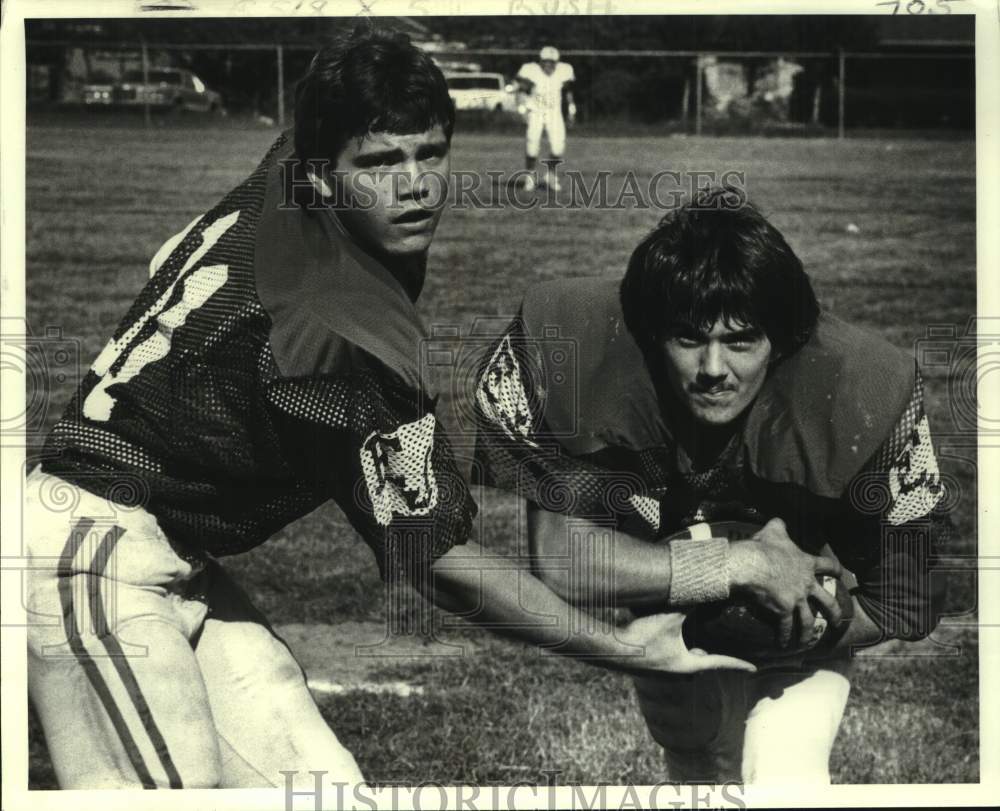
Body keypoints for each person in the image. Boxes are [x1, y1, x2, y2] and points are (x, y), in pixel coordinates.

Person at [24, 30, 769, 791]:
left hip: (166, 547)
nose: (414, 185)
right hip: (92, 551)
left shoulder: (287, 165)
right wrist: (632, 650)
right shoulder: (345, 332)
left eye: (430, 153)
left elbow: (169, 252)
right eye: (380, 164)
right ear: (322, 177)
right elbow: (438, 561)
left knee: (321, 788)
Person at [472, 186, 949, 784]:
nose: (714, 370)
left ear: (783, 340)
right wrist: (739, 565)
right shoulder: (584, 350)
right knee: (694, 760)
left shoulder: (860, 385)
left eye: (742, 340)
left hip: (799, 629)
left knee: (785, 772)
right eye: (689, 338)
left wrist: (799, 622)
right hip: (665, 614)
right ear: (650, 334)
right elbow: (569, 562)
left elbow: (909, 596)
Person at [515, 45, 576, 192]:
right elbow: (521, 91)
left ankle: (551, 175)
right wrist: (522, 110)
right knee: (532, 147)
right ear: (540, 61)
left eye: (551, 62)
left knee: (557, 148)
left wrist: (572, 111)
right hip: (535, 113)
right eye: (545, 61)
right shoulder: (531, 70)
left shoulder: (564, 70)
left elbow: (569, 93)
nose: (548, 65)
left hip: (554, 114)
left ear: (557, 62)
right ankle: (530, 177)